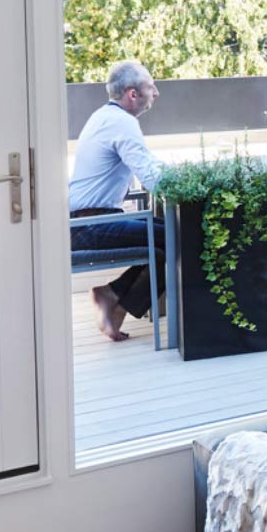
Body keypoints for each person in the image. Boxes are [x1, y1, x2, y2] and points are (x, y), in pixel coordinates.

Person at [68, 60, 165, 342]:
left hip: (89, 220)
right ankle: (117, 305)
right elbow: (153, 179)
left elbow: (150, 165)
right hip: (92, 225)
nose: (156, 92)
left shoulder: (104, 116)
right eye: (150, 86)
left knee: (164, 243)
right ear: (133, 94)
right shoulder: (122, 123)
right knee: (180, 234)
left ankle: (110, 293)